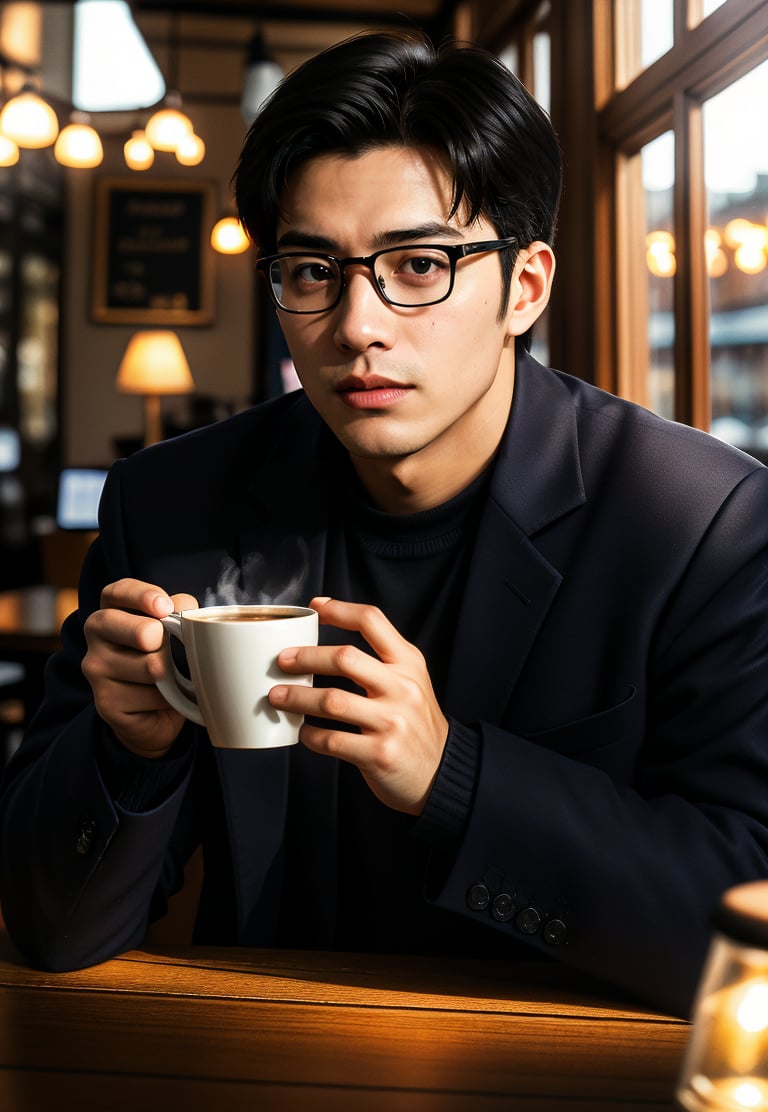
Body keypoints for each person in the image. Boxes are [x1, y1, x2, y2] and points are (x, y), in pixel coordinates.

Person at [2, 31, 768, 1018]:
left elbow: (742, 920)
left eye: (418, 265)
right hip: (263, 1064)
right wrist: (127, 755)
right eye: (312, 271)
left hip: (568, 1078)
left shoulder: (698, 524)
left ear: (524, 287)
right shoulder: (174, 507)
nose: (358, 323)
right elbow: (51, 928)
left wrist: (453, 775)